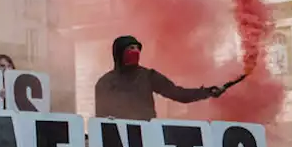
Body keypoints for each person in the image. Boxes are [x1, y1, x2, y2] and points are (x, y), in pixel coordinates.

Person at [93, 35, 222, 120]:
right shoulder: (105, 82)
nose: (136, 51)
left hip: (147, 134)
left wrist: (207, 92)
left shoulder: (148, 76)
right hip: (118, 139)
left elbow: (178, 93)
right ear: (119, 53)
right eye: (131, 48)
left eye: (138, 48)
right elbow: (101, 116)